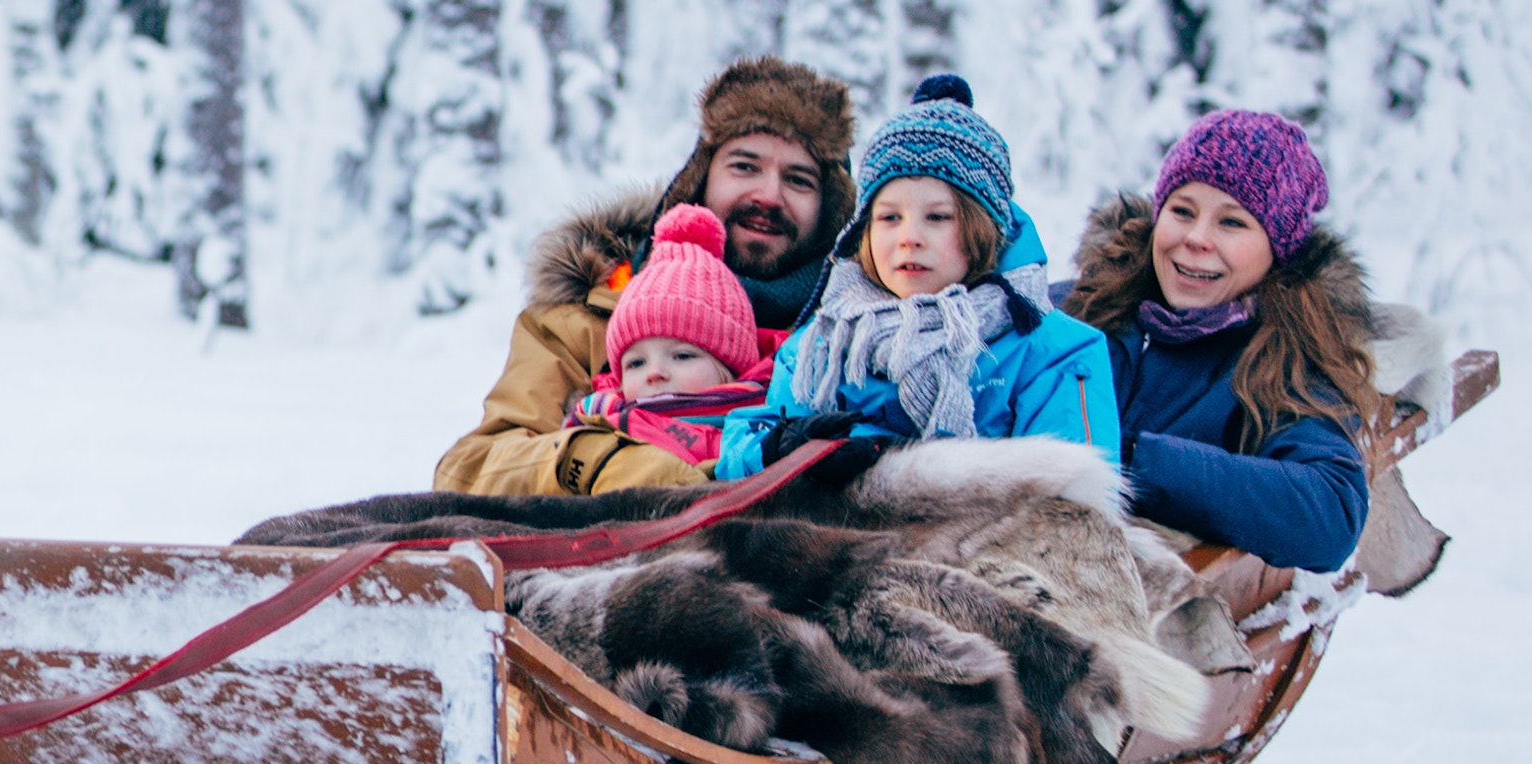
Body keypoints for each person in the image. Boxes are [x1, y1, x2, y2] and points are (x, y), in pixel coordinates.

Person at [432, 57, 854, 495]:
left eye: (799, 180)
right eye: (745, 166)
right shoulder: (585, 320)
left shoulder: (857, 338)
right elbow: (470, 469)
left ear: (831, 210)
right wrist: (605, 463)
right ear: (699, 179)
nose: (769, 195)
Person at [715, 76, 1119, 478]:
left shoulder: (1053, 351)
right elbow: (742, 447)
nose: (909, 238)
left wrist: (916, 474)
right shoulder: (825, 342)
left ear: (983, 229)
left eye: (938, 218)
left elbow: (1074, 498)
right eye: (890, 218)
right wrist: (776, 449)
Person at [1056, 110, 1377, 570]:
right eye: (1182, 211)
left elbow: (1330, 513)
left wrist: (1136, 461)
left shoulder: (1286, 358)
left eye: (1232, 223)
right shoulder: (1082, 308)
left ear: (1277, 250)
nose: (1196, 238)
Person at [563, 204, 774, 467]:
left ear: (730, 368)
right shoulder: (596, 425)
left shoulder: (766, 433)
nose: (654, 372)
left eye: (682, 355)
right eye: (636, 363)